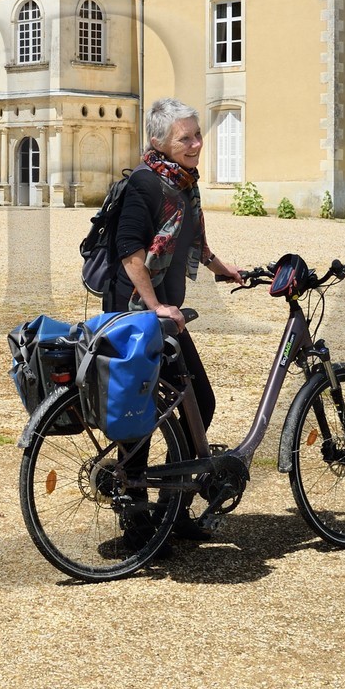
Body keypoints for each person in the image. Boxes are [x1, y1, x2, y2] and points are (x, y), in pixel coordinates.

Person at [104, 97, 245, 543]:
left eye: (197, 135)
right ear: (158, 141)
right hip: (135, 317)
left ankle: (172, 505)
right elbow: (129, 250)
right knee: (139, 413)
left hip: (164, 321)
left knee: (197, 403)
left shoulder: (184, 185)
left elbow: (191, 238)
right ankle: (137, 521)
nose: (196, 144)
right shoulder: (146, 184)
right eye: (185, 138)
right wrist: (154, 305)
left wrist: (219, 265)